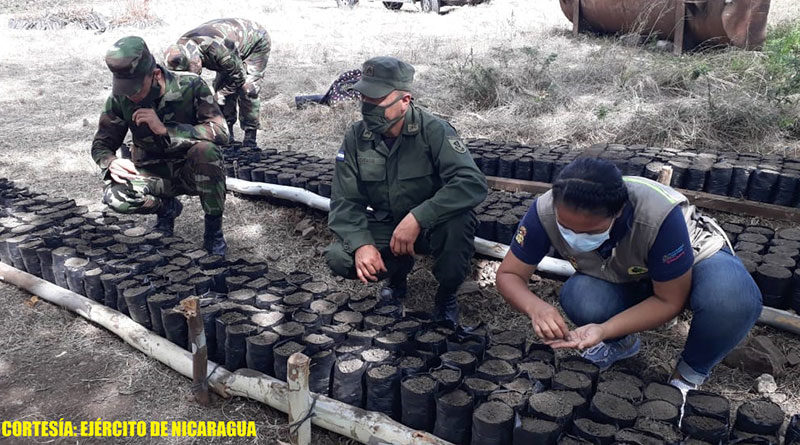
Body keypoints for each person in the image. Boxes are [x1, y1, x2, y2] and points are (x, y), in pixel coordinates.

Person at [496, 157, 762, 392]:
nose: (575, 237)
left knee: (732, 300)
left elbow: (669, 300)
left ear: (619, 212)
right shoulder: (544, 210)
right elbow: (509, 274)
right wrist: (536, 308)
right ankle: (620, 344)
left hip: (690, 258)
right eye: (566, 227)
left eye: (589, 232)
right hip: (624, 269)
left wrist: (604, 327)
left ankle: (688, 375)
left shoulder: (658, 216)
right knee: (582, 297)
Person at [325, 56, 488, 324]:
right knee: (339, 257)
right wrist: (362, 244)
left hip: (431, 226)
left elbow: (471, 182)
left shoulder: (434, 131)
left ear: (404, 101)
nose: (368, 107)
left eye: (377, 100)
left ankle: (447, 294)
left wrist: (418, 218)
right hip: (388, 225)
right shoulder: (356, 137)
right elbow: (344, 201)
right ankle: (396, 275)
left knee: (459, 224)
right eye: (364, 99)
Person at [91, 36, 229, 255]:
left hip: (191, 172)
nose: (131, 96)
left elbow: (221, 132)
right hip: (152, 173)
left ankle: (213, 232)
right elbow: (101, 143)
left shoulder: (191, 85)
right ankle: (167, 209)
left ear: (155, 74)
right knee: (114, 196)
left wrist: (167, 130)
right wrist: (110, 162)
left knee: (207, 151)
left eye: (136, 89)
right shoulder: (121, 98)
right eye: (126, 89)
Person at [164, 18, 271, 147]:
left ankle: (250, 137)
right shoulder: (178, 50)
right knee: (222, 86)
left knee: (247, 89)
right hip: (228, 48)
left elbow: (238, 77)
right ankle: (228, 136)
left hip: (255, 41)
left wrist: (218, 96)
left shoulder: (218, 50)